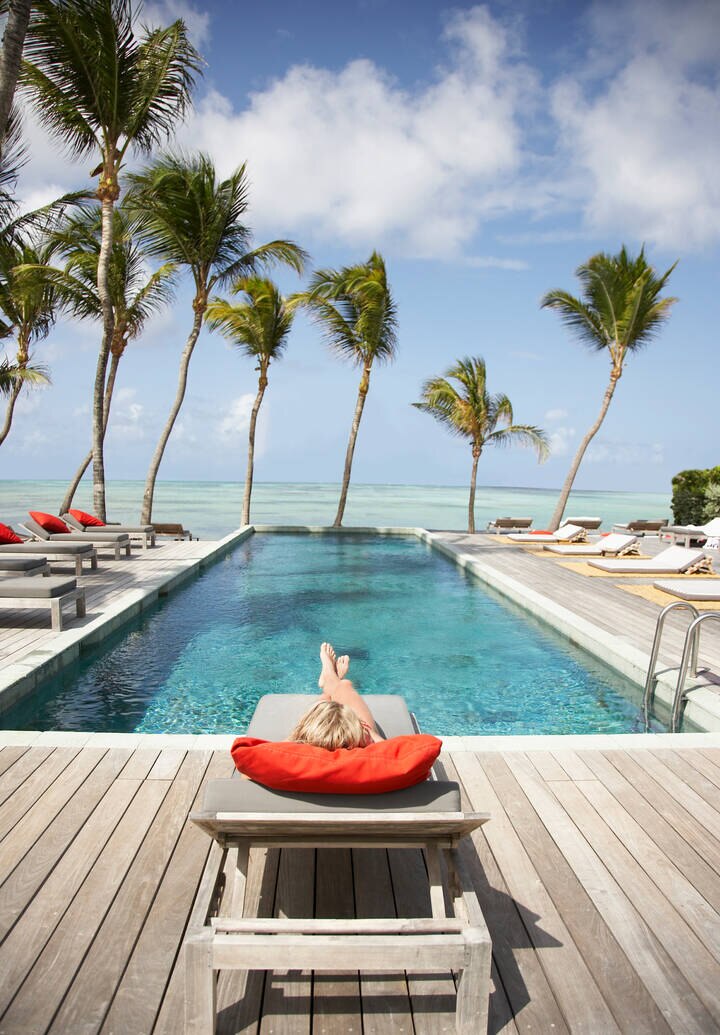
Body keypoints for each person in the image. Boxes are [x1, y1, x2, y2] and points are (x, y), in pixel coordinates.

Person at [287, 642, 384, 749]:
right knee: (345, 685)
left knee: (324, 711)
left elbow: (279, 747)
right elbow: (386, 749)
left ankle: (330, 677)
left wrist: (298, 733)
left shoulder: (277, 758)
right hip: (356, 745)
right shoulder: (375, 755)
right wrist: (365, 731)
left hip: (312, 742)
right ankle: (332, 678)